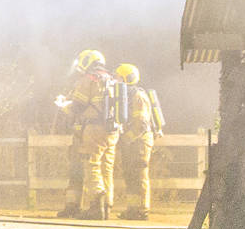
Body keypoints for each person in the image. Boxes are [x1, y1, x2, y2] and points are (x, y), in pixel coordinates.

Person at [54, 50, 118, 219]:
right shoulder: (112, 79)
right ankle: (106, 207)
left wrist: (63, 106)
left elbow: (78, 106)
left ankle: (96, 205)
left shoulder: (88, 80)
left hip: (94, 128)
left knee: (91, 165)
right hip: (112, 130)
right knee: (106, 168)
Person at [111, 63, 164, 220]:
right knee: (130, 175)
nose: (115, 80)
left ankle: (142, 210)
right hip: (133, 141)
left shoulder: (137, 96)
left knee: (139, 174)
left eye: (118, 77)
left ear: (126, 78)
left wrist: (127, 139)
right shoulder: (126, 96)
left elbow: (141, 124)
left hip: (140, 141)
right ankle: (132, 209)